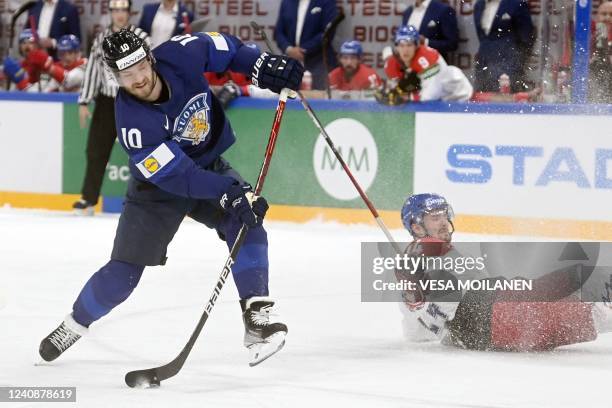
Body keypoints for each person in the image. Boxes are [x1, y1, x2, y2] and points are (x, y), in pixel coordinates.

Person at [38, 29, 304, 367]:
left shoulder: (182, 53)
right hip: (158, 190)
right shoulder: (133, 123)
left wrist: (261, 65)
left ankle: (256, 318)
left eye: (139, 66)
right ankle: (74, 324)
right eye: (125, 73)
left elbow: (224, 48)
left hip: (206, 162)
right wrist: (228, 192)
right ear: (115, 77)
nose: (137, 79)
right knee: (123, 275)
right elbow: (181, 177)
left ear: (150, 57)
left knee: (247, 218)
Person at [397, 193, 612, 351]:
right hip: (488, 315)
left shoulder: (436, 256)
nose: (444, 222)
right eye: (435, 218)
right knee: (588, 297)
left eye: (445, 216)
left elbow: (419, 333)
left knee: (580, 304)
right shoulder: (422, 255)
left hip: (491, 316)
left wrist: (420, 304)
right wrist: (417, 299)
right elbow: (432, 317)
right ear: (417, 227)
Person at [73, 0, 149, 215]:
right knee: (96, 150)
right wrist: (84, 100)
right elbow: (93, 71)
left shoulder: (141, 37)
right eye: (115, 10)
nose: (119, 14)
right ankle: (88, 199)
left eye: (122, 9)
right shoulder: (101, 38)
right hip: (107, 102)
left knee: (143, 151)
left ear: (129, 12)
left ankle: (148, 200)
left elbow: (150, 68)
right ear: (111, 12)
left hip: (135, 101)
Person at [377, 25, 472, 104]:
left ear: (416, 45)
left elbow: (431, 96)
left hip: (460, 97)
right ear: (396, 47)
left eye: (409, 45)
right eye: (401, 45)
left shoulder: (428, 60)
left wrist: (406, 97)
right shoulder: (393, 61)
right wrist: (393, 92)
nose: (405, 50)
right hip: (439, 100)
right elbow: (396, 89)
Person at [274, 0, 338, 90]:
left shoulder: (326, 2)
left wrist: (303, 50)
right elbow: (278, 32)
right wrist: (289, 49)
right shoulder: (287, 2)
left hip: (318, 62)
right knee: (288, 98)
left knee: (319, 100)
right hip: (291, 62)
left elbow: (328, 32)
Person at [472, 0, 535, 92]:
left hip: (508, 64)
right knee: (481, 99)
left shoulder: (517, 4)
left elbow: (526, 37)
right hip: (483, 63)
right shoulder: (479, 4)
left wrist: (515, 62)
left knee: (507, 101)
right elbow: (482, 37)